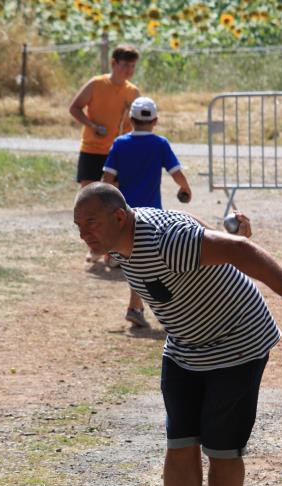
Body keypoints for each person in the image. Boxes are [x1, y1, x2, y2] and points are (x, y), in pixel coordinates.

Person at [73, 183, 282, 486]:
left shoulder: (162, 240)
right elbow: (200, 231)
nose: (83, 232)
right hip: (184, 346)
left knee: (222, 447)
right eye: (78, 224)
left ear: (119, 217)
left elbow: (239, 252)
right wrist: (225, 233)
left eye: (89, 223)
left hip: (237, 343)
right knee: (180, 441)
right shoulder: (122, 239)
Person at [103, 96, 192, 328]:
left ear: (130, 119)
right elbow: (176, 172)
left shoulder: (120, 144)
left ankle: (137, 306)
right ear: (156, 120)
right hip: (151, 215)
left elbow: (108, 180)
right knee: (147, 262)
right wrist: (185, 188)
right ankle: (140, 308)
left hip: (124, 212)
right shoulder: (160, 144)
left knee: (137, 261)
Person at [69, 44, 140, 266]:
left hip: (117, 152)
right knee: (88, 200)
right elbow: (75, 108)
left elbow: (137, 124)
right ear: (113, 63)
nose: (128, 70)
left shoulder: (133, 92)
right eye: (125, 65)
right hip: (92, 149)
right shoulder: (96, 84)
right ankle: (93, 247)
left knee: (113, 204)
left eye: (132, 66)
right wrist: (93, 125)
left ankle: (112, 251)